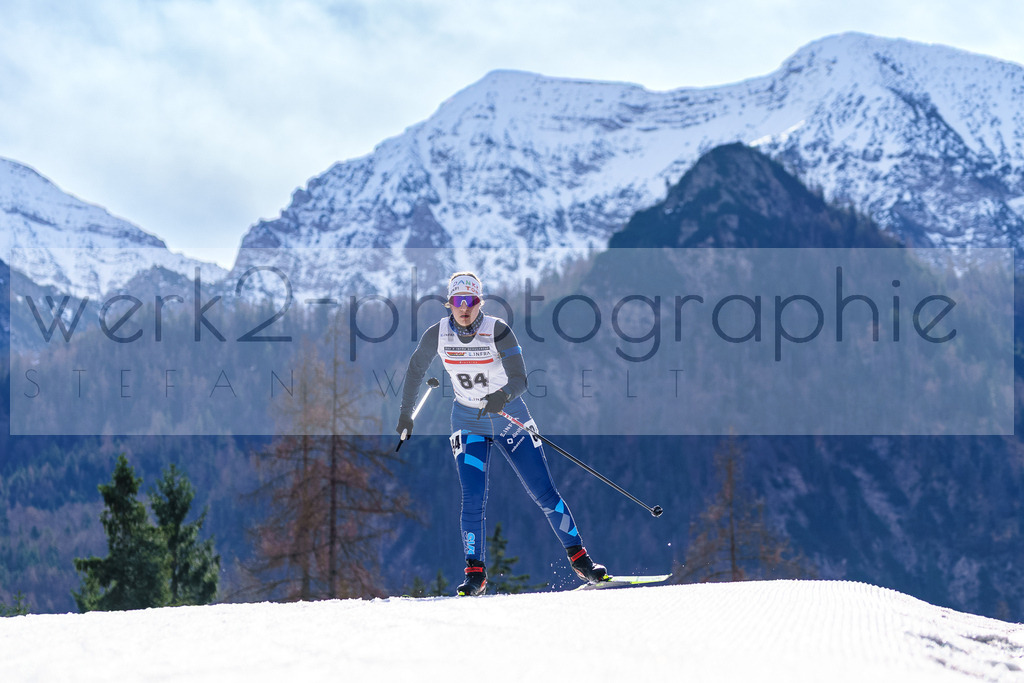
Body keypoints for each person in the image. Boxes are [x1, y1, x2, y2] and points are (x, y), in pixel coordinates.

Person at [397, 271, 607, 595]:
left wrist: (502, 396)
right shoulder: (436, 335)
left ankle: (580, 560)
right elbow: (414, 371)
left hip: (508, 416)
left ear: (480, 303)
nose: (464, 308)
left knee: (544, 492)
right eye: (458, 302)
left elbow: (521, 379)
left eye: (471, 301)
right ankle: (475, 574)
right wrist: (405, 415)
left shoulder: (497, 330)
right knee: (473, 497)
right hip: (469, 420)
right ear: (449, 304)